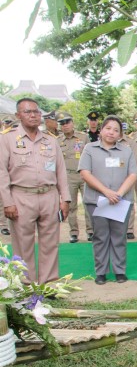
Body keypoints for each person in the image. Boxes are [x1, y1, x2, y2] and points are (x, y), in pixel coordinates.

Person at [0, 98, 71, 284]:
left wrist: (66, 199)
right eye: (27, 112)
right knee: (23, 244)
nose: (33, 115)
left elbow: (61, 171)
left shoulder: (50, 140)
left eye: (36, 111)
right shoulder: (7, 139)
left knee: (50, 242)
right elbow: (2, 173)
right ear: (18, 116)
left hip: (49, 195)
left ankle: (49, 283)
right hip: (21, 196)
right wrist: (7, 202)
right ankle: (25, 284)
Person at [79, 116, 137, 285]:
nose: (111, 132)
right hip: (97, 201)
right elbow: (85, 172)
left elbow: (133, 174)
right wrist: (106, 192)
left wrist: (118, 193)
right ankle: (101, 271)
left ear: (120, 134)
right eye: (108, 128)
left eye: (116, 130)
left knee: (119, 236)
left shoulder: (126, 151)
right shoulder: (90, 149)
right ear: (101, 130)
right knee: (101, 236)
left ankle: (120, 270)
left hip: (121, 201)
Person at [56, 111, 92, 243]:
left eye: (67, 122)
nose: (65, 125)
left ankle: (90, 231)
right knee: (71, 206)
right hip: (68, 176)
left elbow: (90, 156)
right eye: (62, 123)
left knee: (88, 204)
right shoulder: (57, 141)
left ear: (72, 123)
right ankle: (74, 232)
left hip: (84, 175)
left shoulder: (83, 137)